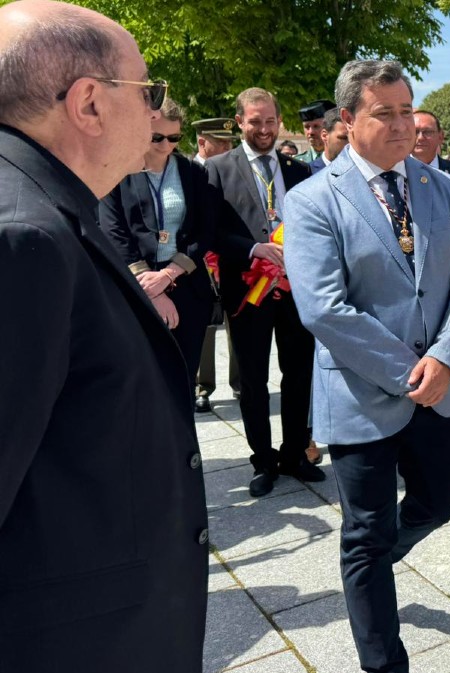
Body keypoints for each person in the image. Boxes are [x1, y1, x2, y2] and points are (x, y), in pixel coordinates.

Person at [0, 2, 207, 670]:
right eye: (147, 91)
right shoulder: (22, 237)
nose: (156, 115)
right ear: (89, 103)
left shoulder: (46, 205)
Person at [286, 59, 450, 673]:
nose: (403, 125)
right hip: (360, 394)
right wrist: (409, 370)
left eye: (407, 111)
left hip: (439, 389)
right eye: (385, 113)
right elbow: (324, 309)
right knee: (366, 534)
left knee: (440, 502)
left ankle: (369, 571)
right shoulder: (312, 199)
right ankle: (382, 656)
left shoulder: (442, 188)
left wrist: (446, 358)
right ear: (346, 120)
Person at [206, 87, 324, 497]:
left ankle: (294, 453)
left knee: (299, 375)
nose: (264, 129)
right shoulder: (217, 169)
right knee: (254, 380)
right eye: (255, 121)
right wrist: (255, 248)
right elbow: (211, 230)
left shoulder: (298, 170)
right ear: (239, 122)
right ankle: (263, 460)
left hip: (295, 291)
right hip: (249, 293)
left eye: (270, 120)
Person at [99, 96, 216, 388]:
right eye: (157, 137)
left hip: (186, 284)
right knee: (146, 381)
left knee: (184, 379)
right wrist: (152, 288)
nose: (166, 145)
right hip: (136, 287)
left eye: (174, 137)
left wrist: (169, 274)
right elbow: (113, 230)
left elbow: (206, 229)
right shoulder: (118, 171)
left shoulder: (193, 172)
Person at [192, 116, 241, 412]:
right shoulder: (188, 171)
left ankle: (239, 382)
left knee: (237, 323)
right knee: (206, 329)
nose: (226, 147)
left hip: (232, 259)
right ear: (201, 142)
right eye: (220, 142)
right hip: (200, 263)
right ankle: (203, 386)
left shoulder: (234, 168)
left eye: (229, 142)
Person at [307, 108, 349, 172]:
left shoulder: (362, 172)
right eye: (344, 138)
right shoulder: (307, 173)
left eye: (354, 138)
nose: (350, 144)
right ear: (325, 136)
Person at [294, 99, 335, 164]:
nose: (311, 132)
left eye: (316, 126)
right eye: (307, 127)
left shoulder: (341, 159)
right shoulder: (297, 163)